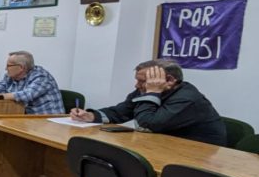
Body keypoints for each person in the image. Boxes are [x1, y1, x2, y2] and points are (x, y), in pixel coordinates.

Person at [69, 59, 227, 145]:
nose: (137, 86)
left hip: (198, 157)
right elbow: (121, 111)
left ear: (170, 81)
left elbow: (148, 123)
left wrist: (152, 91)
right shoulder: (145, 90)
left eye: (143, 81)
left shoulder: (188, 98)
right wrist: (90, 116)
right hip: (164, 147)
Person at [0, 50, 65, 114]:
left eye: (8, 66)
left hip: (47, 120)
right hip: (24, 116)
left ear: (21, 67)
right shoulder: (10, 76)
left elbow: (27, 95)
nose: (5, 69)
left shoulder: (41, 76)